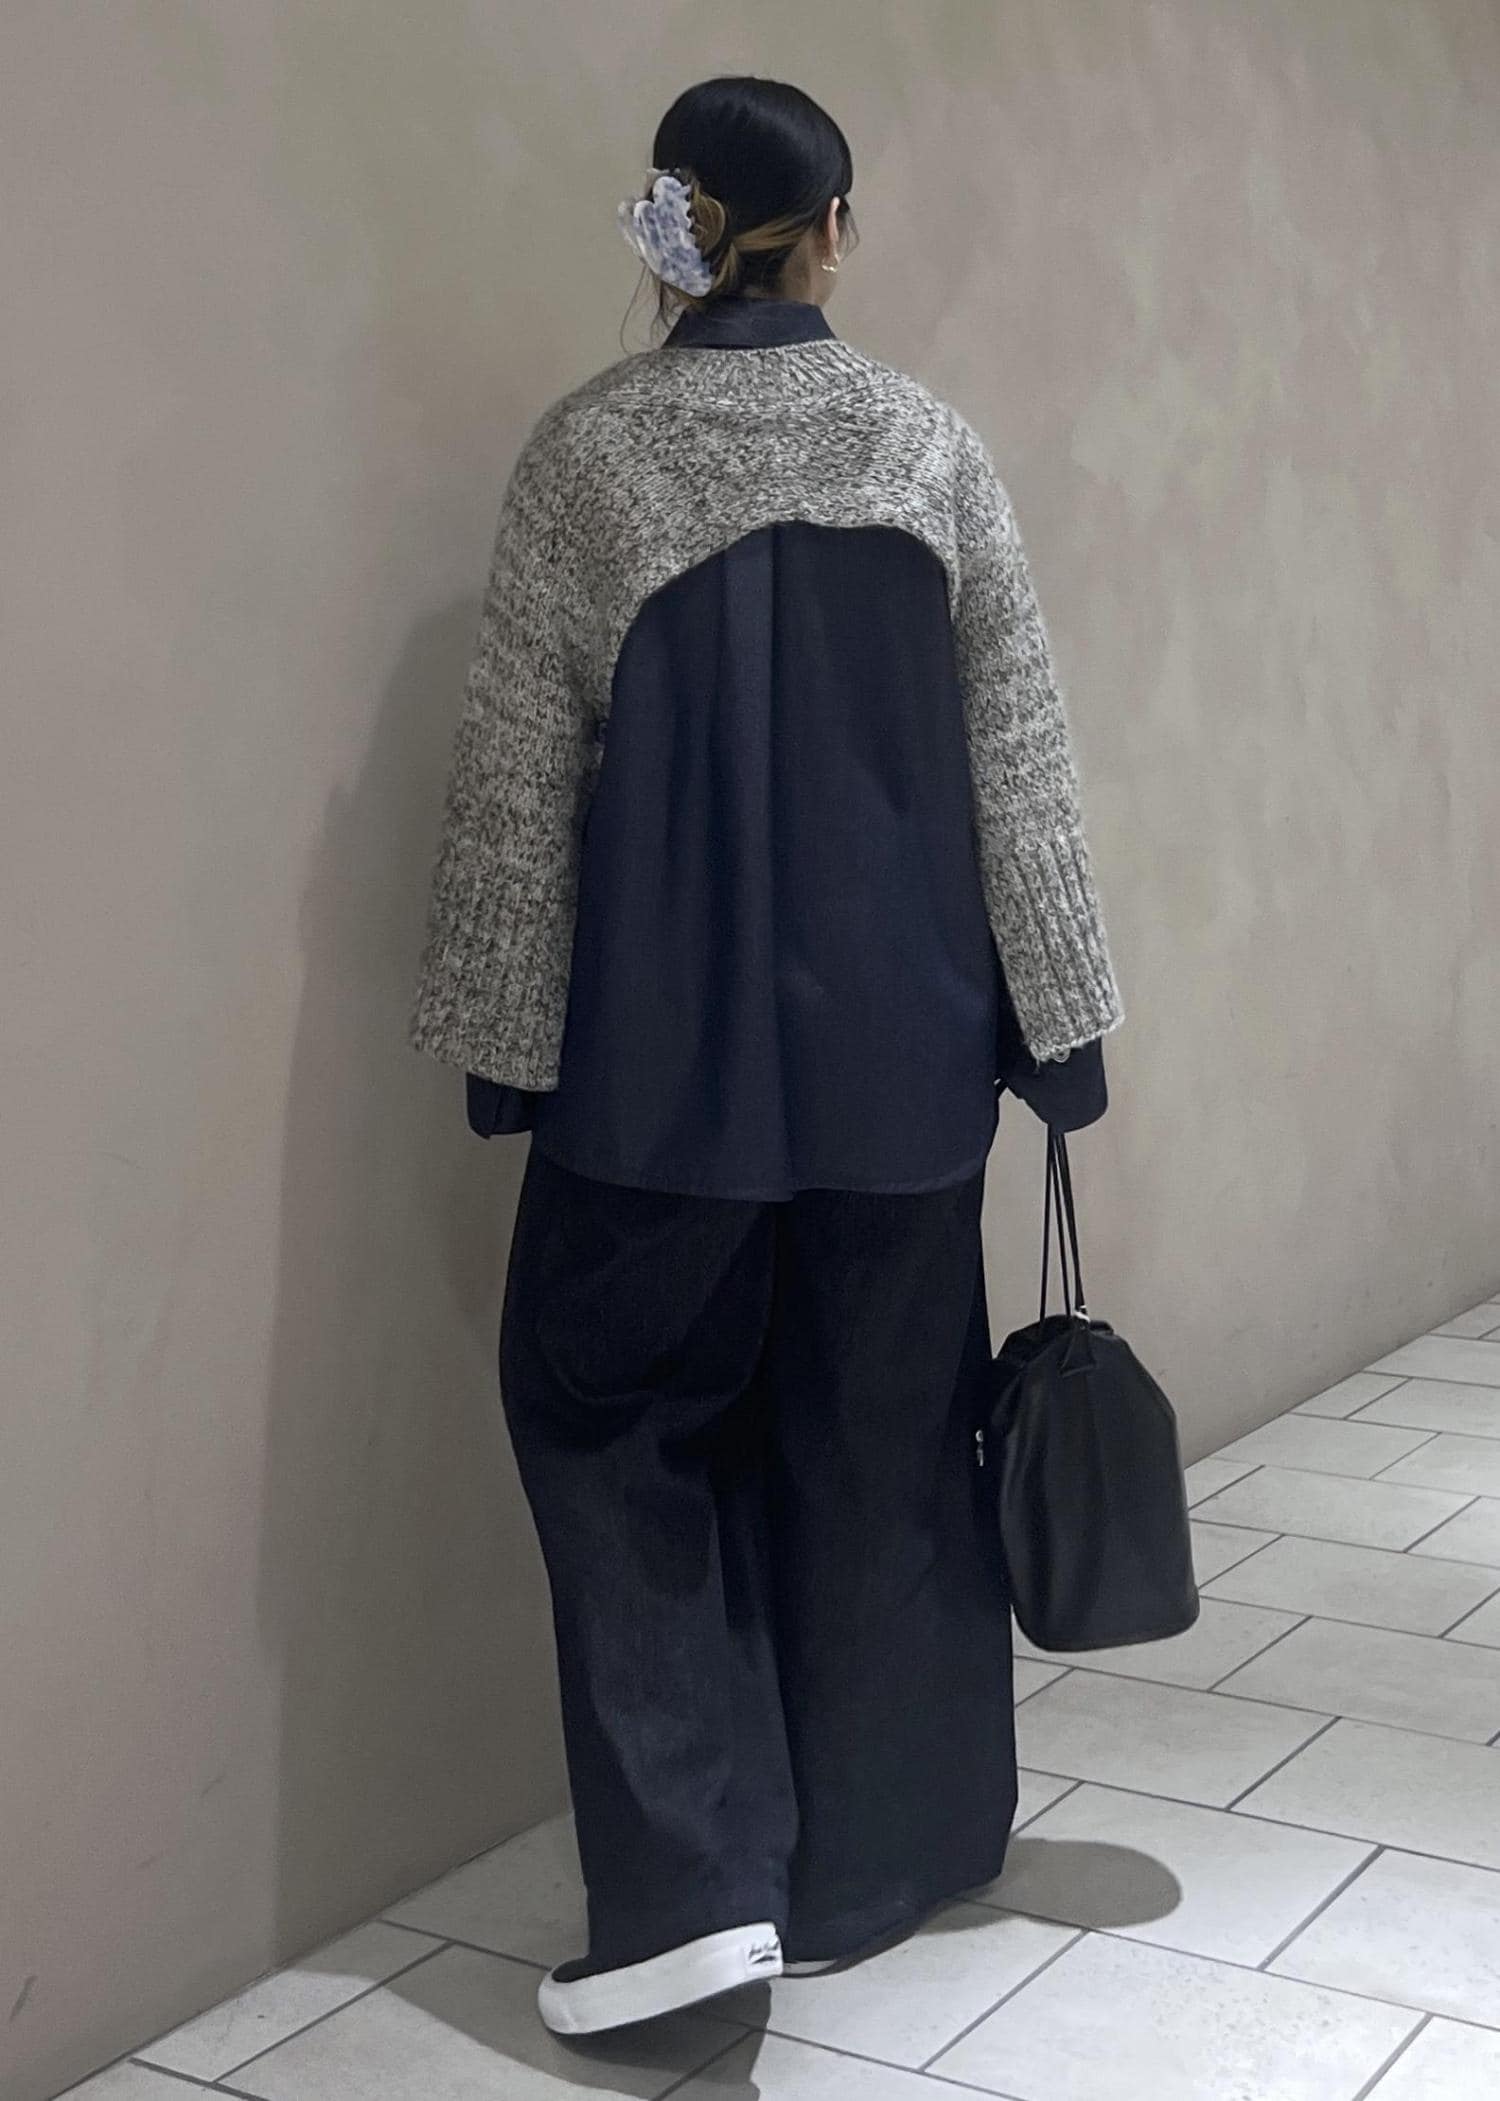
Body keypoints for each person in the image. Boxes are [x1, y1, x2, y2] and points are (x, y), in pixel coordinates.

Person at [409, 73, 1124, 2038]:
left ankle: (690, 1901)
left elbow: (519, 776)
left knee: (615, 1422)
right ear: (837, 230)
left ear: (676, 228)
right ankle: (873, 1863)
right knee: (880, 1445)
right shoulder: (930, 445)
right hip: (909, 1073)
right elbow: (1018, 762)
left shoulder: (588, 455)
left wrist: (505, 1041)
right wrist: (1062, 1029)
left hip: (660, 1078)